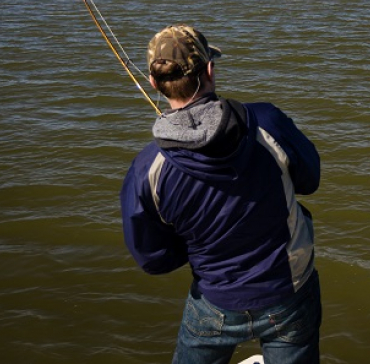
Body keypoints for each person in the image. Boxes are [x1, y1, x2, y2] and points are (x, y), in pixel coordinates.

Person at [120, 25, 322, 364]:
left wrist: (200, 249)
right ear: (210, 70)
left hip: (213, 301)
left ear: (154, 83)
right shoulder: (268, 122)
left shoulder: (146, 168)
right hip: (289, 292)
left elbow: (153, 258)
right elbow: (309, 179)